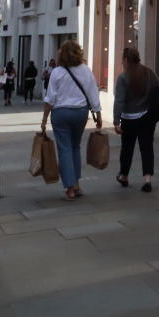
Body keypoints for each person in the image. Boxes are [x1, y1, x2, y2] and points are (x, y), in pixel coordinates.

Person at [40, 41, 102, 201]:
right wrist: (98, 115)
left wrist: (44, 119)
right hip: (80, 113)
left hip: (61, 113)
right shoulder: (86, 70)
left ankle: (70, 187)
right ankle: (77, 184)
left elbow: (50, 98)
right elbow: (93, 92)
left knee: (65, 149)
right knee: (75, 147)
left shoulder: (57, 72)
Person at [113, 47, 159, 193]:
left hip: (129, 119)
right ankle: (147, 179)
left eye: (122, 59)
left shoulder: (123, 77)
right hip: (147, 117)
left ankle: (124, 175)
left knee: (127, 149)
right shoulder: (149, 73)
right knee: (146, 148)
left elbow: (119, 101)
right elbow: (158, 90)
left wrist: (116, 121)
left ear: (126, 60)